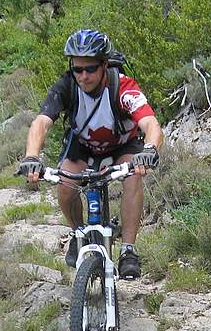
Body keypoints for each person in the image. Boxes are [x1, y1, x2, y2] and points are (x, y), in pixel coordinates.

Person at [17, 29, 163, 280]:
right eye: (77, 69)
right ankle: (77, 233)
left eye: (91, 69)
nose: (83, 76)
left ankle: (128, 250)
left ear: (104, 65)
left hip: (122, 145)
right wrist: (32, 156)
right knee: (65, 184)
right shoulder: (66, 86)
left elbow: (151, 124)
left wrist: (149, 151)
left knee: (133, 176)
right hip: (83, 146)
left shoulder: (123, 87)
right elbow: (41, 122)